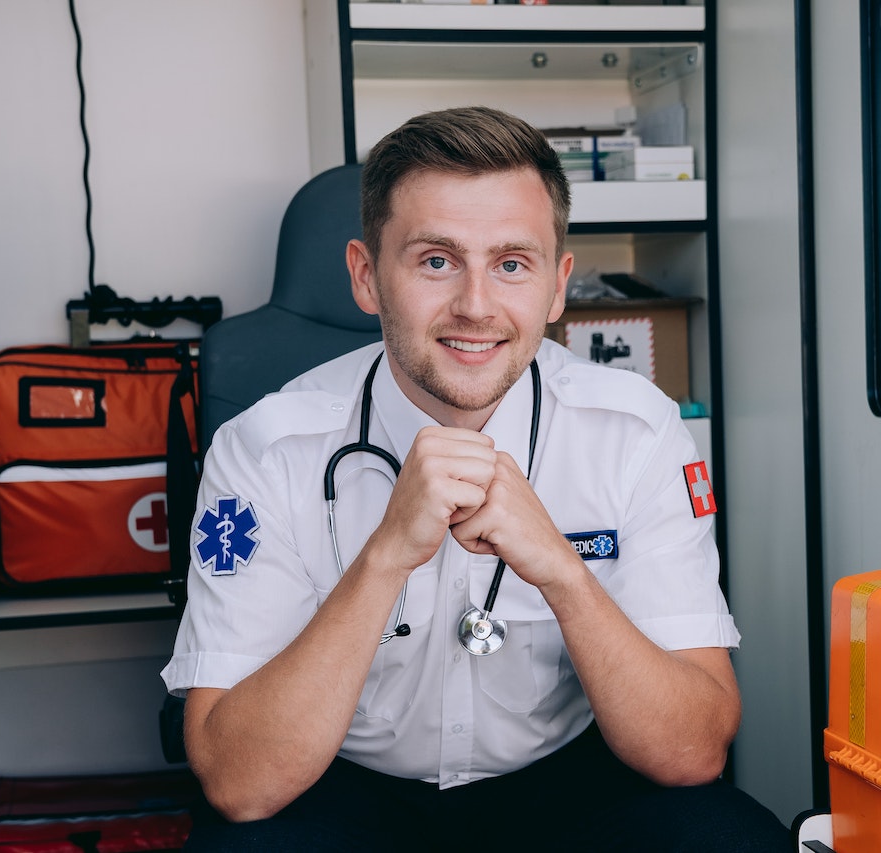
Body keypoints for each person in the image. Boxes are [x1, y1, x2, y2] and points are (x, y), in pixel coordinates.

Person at [161, 105, 789, 852]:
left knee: (729, 838)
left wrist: (560, 569)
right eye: (435, 260)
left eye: (511, 264)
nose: (476, 306)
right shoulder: (264, 448)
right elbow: (239, 783)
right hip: (341, 785)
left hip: (563, 782)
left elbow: (692, 752)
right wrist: (385, 554)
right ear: (366, 277)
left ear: (556, 288)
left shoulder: (634, 429)